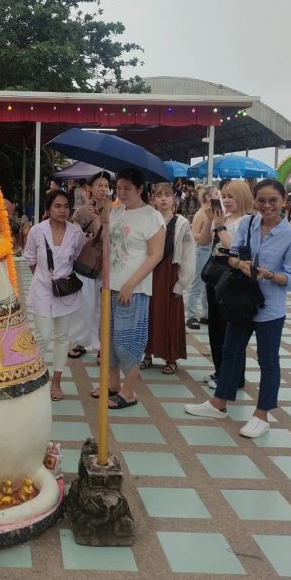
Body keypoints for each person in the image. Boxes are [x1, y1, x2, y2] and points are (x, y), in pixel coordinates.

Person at [185, 179, 291, 438]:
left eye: (273, 200)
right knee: (231, 352)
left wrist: (268, 274)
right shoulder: (249, 224)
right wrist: (239, 264)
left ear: (284, 201)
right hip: (241, 301)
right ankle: (219, 403)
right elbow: (232, 254)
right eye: (261, 200)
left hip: (270, 308)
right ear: (254, 201)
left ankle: (262, 414)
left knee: (268, 360)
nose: (267, 205)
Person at [106, 169, 165, 409]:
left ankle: (128, 392)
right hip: (110, 285)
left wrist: (131, 283)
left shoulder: (152, 217)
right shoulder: (116, 211)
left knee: (127, 341)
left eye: (127, 188)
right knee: (108, 338)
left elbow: (156, 254)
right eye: (119, 188)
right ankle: (112, 385)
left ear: (140, 189)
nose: (121, 193)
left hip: (134, 288)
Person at [23, 190, 85, 401]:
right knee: (44, 335)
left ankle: (56, 381)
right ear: (48, 208)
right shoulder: (37, 231)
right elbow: (30, 257)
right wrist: (44, 277)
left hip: (66, 292)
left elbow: (78, 257)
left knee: (62, 338)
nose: (62, 210)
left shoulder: (75, 233)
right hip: (41, 290)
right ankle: (34, 376)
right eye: (57, 206)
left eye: (66, 206)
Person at [196, 179, 253, 390]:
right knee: (215, 326)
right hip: (215, 274)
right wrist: (210, 221)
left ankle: (233, 376)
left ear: (243, 197)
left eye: (232, 196)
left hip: (233, 276)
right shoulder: (223, 218)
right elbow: (203, 241)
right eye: (225, 196)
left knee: (230, 327)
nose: (227, 200)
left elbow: (235, 248)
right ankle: (220, 369)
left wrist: (220, 227)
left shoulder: (247, 221)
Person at [141, 182, 196, 373]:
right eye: (159, 195)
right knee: (148, 314)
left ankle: (171, 358)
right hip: (149, 272)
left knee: (170, 315)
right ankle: (147, 354)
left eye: (167, 195)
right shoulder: (148, 220)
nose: (163, 198)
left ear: (174, 199)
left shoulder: (181, 223)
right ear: (153, 199)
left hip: (170, 273)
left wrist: (182, 282)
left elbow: (188, 254)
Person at [68, 173, 111, 363]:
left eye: (106, 185)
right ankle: (80, 342)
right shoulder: (81, 212)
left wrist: (99, 222)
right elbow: (75, 238)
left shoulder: (114, 210)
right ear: (90, 189)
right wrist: (85, 238)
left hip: (106, 265)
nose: (103, 189)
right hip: (85, 265)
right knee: (84, 304)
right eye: (99, 185)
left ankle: (101, 346)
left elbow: (109, 238)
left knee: (103, 307)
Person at [185, 185, 219, 329]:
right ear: (208, 196)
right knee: (197, 284)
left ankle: (206, 314)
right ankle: (191, 315)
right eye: (216, 193)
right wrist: (208, 236)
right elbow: (194, 234)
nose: (218, 195)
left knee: (208, 285)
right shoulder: (201, 213)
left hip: (211, 250)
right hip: (201, 250)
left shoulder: (214, 212)